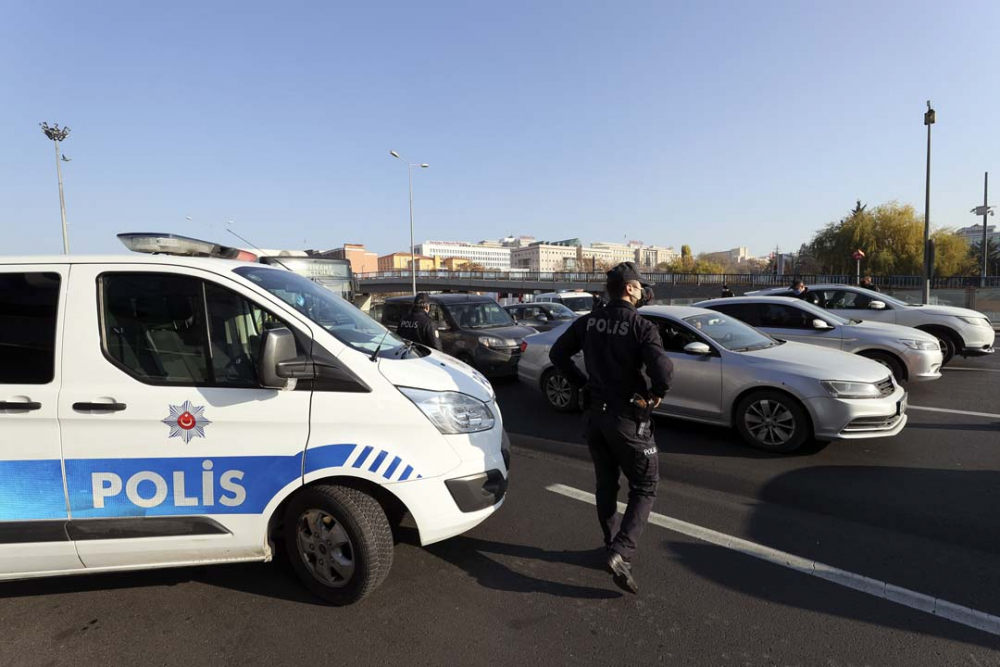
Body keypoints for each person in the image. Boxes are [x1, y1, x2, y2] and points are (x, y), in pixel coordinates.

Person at [549, 262, 673, 594]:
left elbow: (557, 354)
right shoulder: (641, 326)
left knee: (606, 482)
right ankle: (621, 551)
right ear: (631, 289)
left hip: (594, 416)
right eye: (640, 287)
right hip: (627, 419)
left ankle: (609, 542)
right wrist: (656, 394)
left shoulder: (587, 322)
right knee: (645, 486)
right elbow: (663, 371)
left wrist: (581, 383)